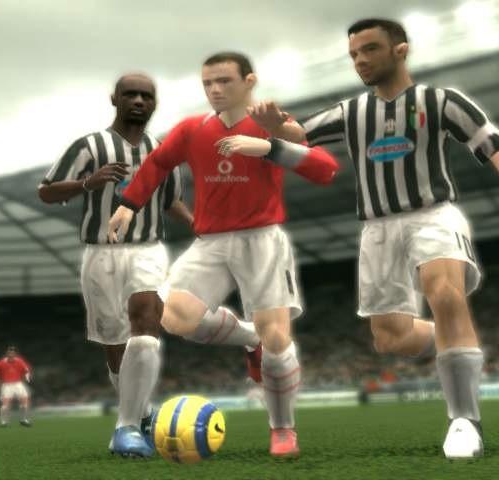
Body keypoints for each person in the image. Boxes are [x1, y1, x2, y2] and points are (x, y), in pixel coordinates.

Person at [249, 18, 499, 459]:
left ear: (400, 50)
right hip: (377, 230)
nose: (360, 60)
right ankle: (456, 341)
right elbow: (301, 134)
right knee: (390, 338)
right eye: (354, 54)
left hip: (433, 216)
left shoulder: (441, 101)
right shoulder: (352, 111)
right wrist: (275, 126)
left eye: (370, 49)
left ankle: (464, 420)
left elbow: (497, 144)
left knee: (444, 293)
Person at [108, 52, 340, 457]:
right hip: (212, 243)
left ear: (249, 82)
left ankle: (282, 428)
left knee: (277, 337)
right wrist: (129, 204)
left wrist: (268, 146)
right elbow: (157, 164)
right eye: (208, 83)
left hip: (262, 240)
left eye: (224, 81)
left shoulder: (270, 122)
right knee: (174, 317)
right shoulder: (192, 129)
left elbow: (325, 169)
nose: (214, 90)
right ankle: (249, 339)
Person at [38, 73, 260, 458]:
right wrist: (88, 183)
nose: (139, 101)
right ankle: (141, 415)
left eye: (146, 95)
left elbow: (170, 199)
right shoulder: (90, 145)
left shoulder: (161, 150)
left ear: (154, 103)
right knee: (116, 347)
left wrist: (199, 225)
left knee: (146, 317)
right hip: (99, 256)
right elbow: (46, 191)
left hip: (147, 249)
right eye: (131, 94)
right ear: (115, 99)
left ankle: (124, 428)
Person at [0, 346, 32, 427]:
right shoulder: (2, 362)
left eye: (13, 352)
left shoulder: (19, 361)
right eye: (9, 352)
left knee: (25, 401)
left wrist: (27, 376)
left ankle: (23, 420)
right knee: (5, 405)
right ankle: (3, 422)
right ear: (7, 353)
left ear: (15, 353)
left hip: (18, 384)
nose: (11, 354)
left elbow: (26, 370)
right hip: (7, 385)